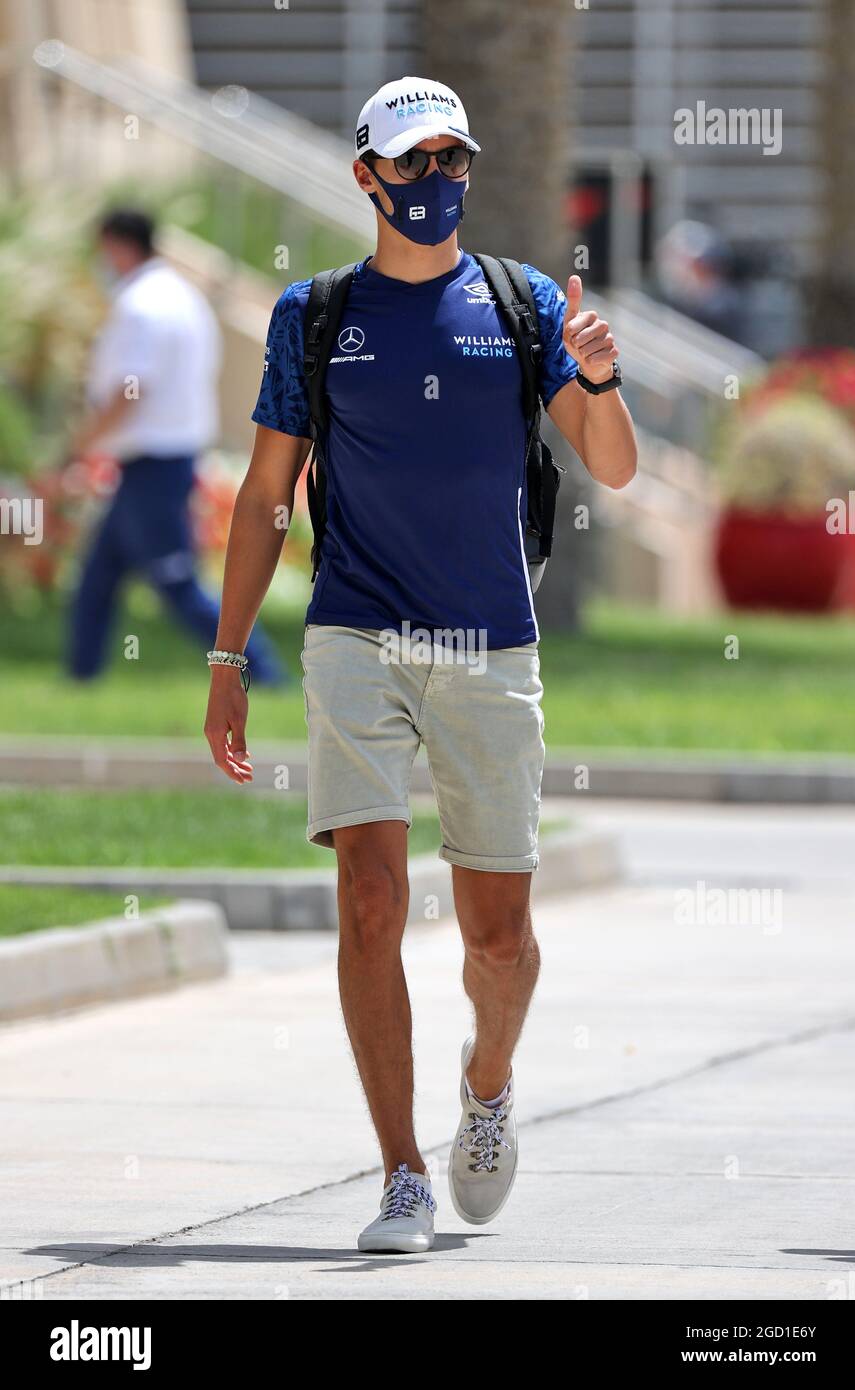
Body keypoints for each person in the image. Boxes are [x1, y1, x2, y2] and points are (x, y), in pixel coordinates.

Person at [204, 77, 637, 1253]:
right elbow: (263, 498)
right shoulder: (315, 315)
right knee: (368, 902)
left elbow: (613, 466)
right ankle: (400, 1171)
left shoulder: (521, 300)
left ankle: (485, 1085)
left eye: (454, 160)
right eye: (413, 163)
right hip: (355, 634)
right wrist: (227, 651)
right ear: (366, 177)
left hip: (489, 642)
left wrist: (595, 376)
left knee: (498, 935)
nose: (437, 181)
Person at [68, 208, 284, 683]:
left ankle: (264, 674)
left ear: (119, 245)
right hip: (161, 460)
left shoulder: (141, 304)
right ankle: (80, 677)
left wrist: (81, 446)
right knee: (97, 579)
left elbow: (131, 389)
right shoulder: (182, 296)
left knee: (175, 583)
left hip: (154, 466)